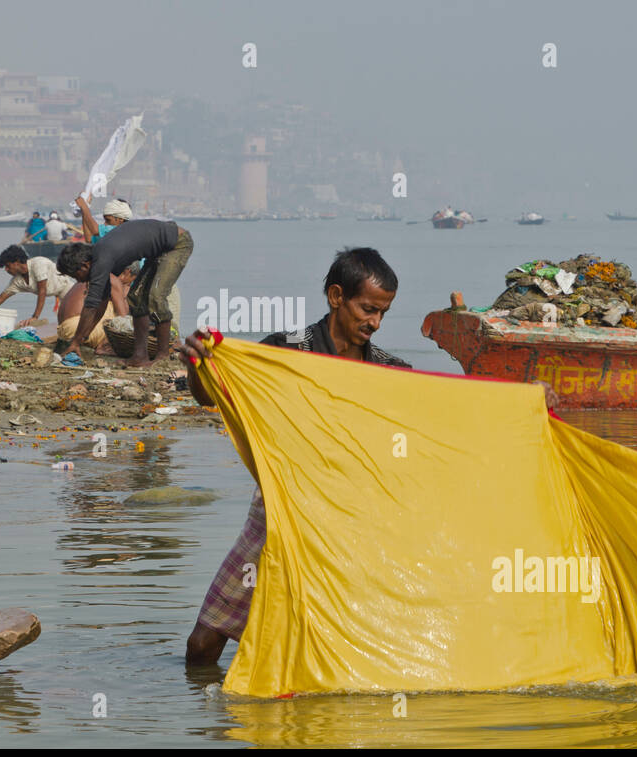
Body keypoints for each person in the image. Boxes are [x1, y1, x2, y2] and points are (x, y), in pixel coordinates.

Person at [182, 248, 410, 665]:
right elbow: (214, 398)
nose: (375, 323)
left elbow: (437, 421)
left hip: (348, 522)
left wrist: (522, 404)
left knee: (327, 645)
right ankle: (206, 713)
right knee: (204, 643)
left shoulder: (389, 372)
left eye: (383, 314)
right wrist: (199, 366)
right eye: (368, 309)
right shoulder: (283, 355)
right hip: (278, 511)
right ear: (336, 296)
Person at [55, 218, 193, 368]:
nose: (79, 281)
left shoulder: (100, 259)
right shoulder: (101, 258)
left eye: (76, 276)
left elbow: (91, 305)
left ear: (84, 265)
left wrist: (76, 341)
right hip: (158, 251)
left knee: (156, 297)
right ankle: (140, 356)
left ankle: (163, 356)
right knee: (136, 298)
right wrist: (81, 338)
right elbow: (101, 302)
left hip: (176, 244)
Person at [0, 244, 76, 326]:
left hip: (68, 289)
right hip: (57, 294)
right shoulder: (17, 281)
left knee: (73, 318)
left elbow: (42, 290)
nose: (6, 270)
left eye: (8, 266)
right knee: (63, 323)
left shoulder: (38, 264)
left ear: (17, 262)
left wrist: (35, 317)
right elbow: (1, 297)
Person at [57, 263, 134, 351]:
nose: (128, 285)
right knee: (117, 311)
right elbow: (123, 319)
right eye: (129, 282)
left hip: (62, 329)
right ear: (127, 272)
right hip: (76, 328)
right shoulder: (112, 279)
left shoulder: (90, 276)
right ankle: (104, 344)